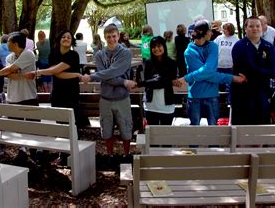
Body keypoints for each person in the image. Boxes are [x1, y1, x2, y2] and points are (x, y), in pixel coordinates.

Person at [81, 24, 136, 162]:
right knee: (106, 129)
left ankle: (126, 154)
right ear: (104, 38)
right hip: (105, 98)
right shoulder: (99, 55)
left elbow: (111, 73)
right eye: (108, 37)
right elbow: (106, 76)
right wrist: (123, 82)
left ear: (118, 36)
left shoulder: (125, 53)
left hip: (122, 97)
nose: (111, 39)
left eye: (114, 36)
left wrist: (94, 76)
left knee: (126, 128)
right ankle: (110, 156)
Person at [177, 20, 245, 125]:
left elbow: (208, 71)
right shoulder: (189, 52)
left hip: (212, 95)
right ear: (203, 33)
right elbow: (208, 73)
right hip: (195, 96)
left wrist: (186, 78)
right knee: (194, 131)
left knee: (214, 132)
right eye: (209, 31)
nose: (212, 33)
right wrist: (232, 78)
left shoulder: (213, 46)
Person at [231, 16, 275, 125]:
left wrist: (267, 73)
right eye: (251, 26)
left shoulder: (268, 46)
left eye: (258, 26)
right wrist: (266, 73)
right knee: (243, 127)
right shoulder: (239, 46)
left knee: (261, 125)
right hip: (243, 93)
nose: (255, 29)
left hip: (263, 91)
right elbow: (247, 69)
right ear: (245, 28)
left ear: (262, 28)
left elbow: (273, 71)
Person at [30, 30, 82, 124]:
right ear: (59, 40)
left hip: (71, 93)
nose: (66, 39)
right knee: (60, 123)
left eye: (68, 37)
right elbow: (55, 73)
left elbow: (55, 71)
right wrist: (75, 74)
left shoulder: (73, 55)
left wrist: (38, 72)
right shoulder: (53, 55)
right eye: (63, 37)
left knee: (73, 124)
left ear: (72, 41)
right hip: (57, 93)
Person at [0, 32, 37, 106]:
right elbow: (8, 74)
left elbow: (10, 70)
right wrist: (24, 75)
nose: (7, 43)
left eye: (8, 41)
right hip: (12, 98)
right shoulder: (9, 58)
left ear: (15, 44)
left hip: (28, 96)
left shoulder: (28, 54)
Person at [141, 36, 177, 125]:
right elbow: (146, 82)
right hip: (150, 106)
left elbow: (168, 81)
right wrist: (157, 81)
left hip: (167, 106)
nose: (156, 49)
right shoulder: (148, 63)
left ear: (164, 46)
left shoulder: (171, 63)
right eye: (154, 47)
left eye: (159, 46)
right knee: (152, 134)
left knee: (165, 134)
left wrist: (156, 81)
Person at [214, 23, 240, 100]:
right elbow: (214, 48)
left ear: (230, 30)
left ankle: (229, 102)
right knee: (218, 84)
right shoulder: (219, 38)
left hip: (230, 66)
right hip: (219, 65)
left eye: (225, 29)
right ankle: (219, 101)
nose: (224, 31)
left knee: (229, 85)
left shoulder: (236, 39)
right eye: (223, 29)